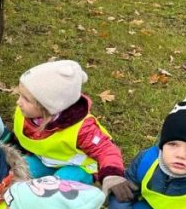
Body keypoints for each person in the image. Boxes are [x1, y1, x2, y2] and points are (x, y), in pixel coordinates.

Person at [13, 59, 124, 189]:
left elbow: (105, 149)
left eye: (26, 99)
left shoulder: (82, 128)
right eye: (20, 95)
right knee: (15, 171)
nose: (18, 102)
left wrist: (112, 175)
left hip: (77, 167)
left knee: (57, 189)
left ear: (47, 106)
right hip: (45, 160)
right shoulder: (26, 112)